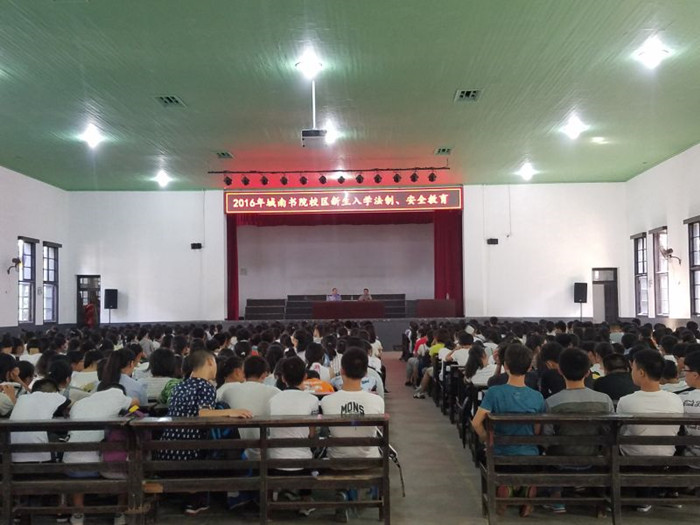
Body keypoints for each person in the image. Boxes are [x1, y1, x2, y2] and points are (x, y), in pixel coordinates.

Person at [156, 350, 251, 515]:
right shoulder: (205, 386)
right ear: (209, 362)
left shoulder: (180, 386)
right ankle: (199, 499)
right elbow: (204, 413)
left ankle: (191, 495)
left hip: (168, 450)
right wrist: (232, 412)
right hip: (191, 453)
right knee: (223, 449)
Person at [472, 344, 545, 518]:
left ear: (505, 366)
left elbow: (476, 423)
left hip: (500, 453)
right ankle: (524, 491)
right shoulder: (537, 397)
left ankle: (507, 488)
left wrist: (486, 439)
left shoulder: (494, 392)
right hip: (529, 456)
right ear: (529, 367)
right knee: (530, 455)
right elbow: (537, 430)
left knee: (482, 453)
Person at [543, 348, 614, 514]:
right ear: (588, 372)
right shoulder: (604, 400)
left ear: (560, 371)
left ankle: (557, 497)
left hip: (560, 461)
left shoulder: (552, 402)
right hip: (593, 459)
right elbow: (609, 433)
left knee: (550, 450)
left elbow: (546, 438)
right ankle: (598, 498)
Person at [320, 347, 385, 523]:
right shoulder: (377, 401)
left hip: (338, 461)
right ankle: (355, 493)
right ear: (365, 373)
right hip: (369, 460)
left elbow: (324, 431)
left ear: (341, 371)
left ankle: (342, 492)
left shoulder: (327, 401)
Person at [616, 349, 684, 513]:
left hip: (632, 459)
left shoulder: (626, 401)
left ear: (641, 373)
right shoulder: (675, 399)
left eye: (632, 368)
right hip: (666, 458)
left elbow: (620, 432)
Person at [63, 383, 139, 525]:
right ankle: (119, 512)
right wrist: (127, 411)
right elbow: (136, 403)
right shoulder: (116, 394)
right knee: (125, 459)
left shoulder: (80, 403)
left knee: (79, 458)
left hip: (74, 465)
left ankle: (78, 513)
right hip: (106, 466)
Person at [216, 355, 280, 509]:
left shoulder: (228, 391)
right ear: (264, 374)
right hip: (265, 451)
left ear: (243, 372)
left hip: (235, 451)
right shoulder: (275, 392)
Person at [268, 357, 319, 515]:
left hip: (274, 461)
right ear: (305, 377)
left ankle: (274, 492)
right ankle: (305, 500)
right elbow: (312, 434)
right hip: (301, 464)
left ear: (283, 378)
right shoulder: (312, 400)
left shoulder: (273, 399)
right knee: (312, 448)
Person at [10, 378, 69, 463]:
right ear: (55, 391)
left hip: (13, 455)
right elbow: (68, 404)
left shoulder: (22, 398)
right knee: (60, 437)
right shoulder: (54, 396)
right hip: (39, 457)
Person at [679, 351, 700, 476]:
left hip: (689, 461)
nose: (683, 374)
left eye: (685, 370)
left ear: (695, 375)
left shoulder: (681, 399)